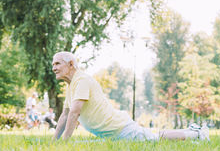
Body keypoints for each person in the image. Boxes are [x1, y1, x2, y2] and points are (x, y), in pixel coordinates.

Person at [52, 51, 209, 141]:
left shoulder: (82, 80)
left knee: (155, 139)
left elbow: (74, 113)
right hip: (112, 132)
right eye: (53, 64)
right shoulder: (73, 85)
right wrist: (55, 141)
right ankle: (193, 131)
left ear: (71, 64)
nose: (54, 68)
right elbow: (65, 115)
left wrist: (64, 141)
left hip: (119, 128)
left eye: (57, 64)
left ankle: (196, 133)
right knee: (153, 137)